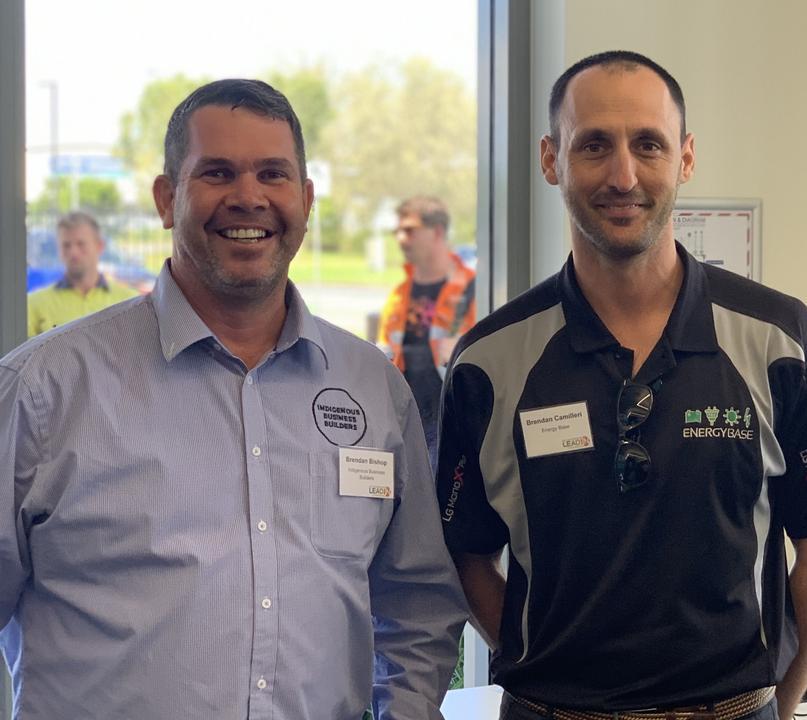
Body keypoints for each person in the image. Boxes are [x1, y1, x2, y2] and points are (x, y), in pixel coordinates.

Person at [0, 78, 467, 719]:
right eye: (217, 173)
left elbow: (416, 604)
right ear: (168, 199)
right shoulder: (42, 391)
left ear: (305, 200)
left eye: (273, 174)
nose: (249, 198)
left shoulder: (372, 387)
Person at [436, 50, 807, 720]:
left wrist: (774, 705)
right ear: (552, 159)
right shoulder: (488, 363)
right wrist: (546, 669)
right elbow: (464, 554)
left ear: (686, 159)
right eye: (594, 146)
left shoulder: (780, 340)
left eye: (649, 145)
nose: (623, 175)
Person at [377, 196, 476, 456]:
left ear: (438, 232)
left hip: (453, 426)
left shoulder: (472, 289)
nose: (400, 239)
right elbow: (385, 354)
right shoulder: (399, 295)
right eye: (397, 231)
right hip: (406, 424)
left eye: (409, 230)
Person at [26, 211, 137, 336]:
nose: (73, 252)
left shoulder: (129, 302)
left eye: (81, 244)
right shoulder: (34, 304)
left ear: (99, 246)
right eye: (66, 245)